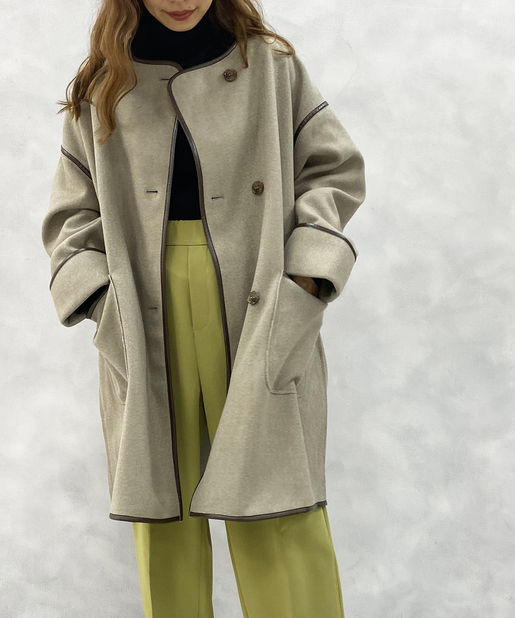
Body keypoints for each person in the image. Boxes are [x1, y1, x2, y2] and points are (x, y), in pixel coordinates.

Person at [41, 0, 366, 616]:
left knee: (274, 501)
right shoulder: (103, 84)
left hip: (261, 298)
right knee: (163, 513)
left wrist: (306, 276)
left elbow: (334, 169)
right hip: (144, 309)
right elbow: (70, 216)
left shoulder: (269, 66)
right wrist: (102, 302)